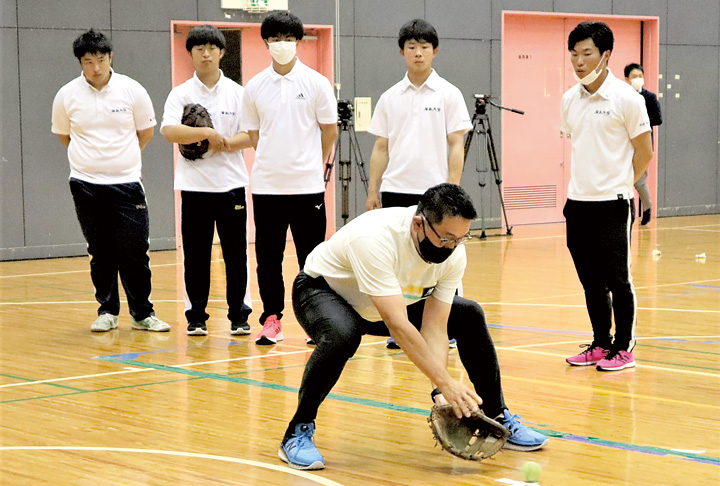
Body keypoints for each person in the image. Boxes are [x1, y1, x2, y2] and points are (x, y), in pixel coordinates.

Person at [279, 183, 548, 470]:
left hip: (386, 303)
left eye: (460, 238)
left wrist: (440, 393)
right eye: (445, 239)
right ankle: (298, 430)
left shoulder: (454, 253)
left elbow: (434, 326)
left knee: (468, 313)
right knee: (343, 334)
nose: (452, 247)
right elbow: (397, 325)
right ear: (419, 223)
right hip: (323, 292)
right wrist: (446, 381)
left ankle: (498, 416)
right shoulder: (374, 238)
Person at [51, 29, 171, 333]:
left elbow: (145, 133)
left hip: (127, 183)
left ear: (110, 57)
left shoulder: (132, 90)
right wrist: (92, 162)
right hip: (85, 184)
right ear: (80, 62)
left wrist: (119, 160)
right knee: (100, 250)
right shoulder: (66, 95)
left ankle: (143, 314)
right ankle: (107, 311)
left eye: (101, 59)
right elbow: (65, 136)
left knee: (134, 250)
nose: (95, 67)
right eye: (88, 61)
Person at [366, 19, 472, 349]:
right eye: (411, 47)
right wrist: (373, 190)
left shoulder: (449, 94)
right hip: (397, 188)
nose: (418, 52)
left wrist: (451, 190)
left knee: (444, 259)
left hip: (436, 192)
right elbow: (381, 147)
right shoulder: (389, 97)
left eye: (424, 46)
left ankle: (449, 327)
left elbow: (456, 143)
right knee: (401, 261)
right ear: (402, 52)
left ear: (434, 51)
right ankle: (406, 331)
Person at [241, 12, 338, 345]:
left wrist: (311, 161)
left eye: (288, 37)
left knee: (313, 259)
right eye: (275, 38)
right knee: (268, 259)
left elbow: (329, 130)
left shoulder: (316, 83)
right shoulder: (254, 87)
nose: (282, 44)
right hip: (267, 186)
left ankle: (319, 323)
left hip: (307, 186)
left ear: (297, 41)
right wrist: (275, 158)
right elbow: (254, 134)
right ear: (266, 42)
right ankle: (271, 320)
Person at [561, 22, 653, 371]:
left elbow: (644, 151)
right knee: (590, 281)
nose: (579, 62)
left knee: (618, 278)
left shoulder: (627, 98)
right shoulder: (569, 99)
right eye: (574, 54)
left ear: (606, 55)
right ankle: (600, 343)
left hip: (612, 203)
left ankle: (623, 347)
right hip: (577, 203)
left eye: (587, 54)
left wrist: (622, 182)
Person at [160, 25, 253, 337]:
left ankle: (239, 316)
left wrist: (224, 143)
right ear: (190, 54)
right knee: (196, 255)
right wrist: (206, 134)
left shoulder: (239, 94)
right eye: (199, 48)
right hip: (194, 187)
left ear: (222, 53)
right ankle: (196, 316)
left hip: (231, 186)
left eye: (212, 48)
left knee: (235, 255)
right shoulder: (181, 93)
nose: (206, 53)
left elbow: (251, 135)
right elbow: (169, 131)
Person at [624, 63, 662, 226]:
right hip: (625, 143)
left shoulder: (650, 97)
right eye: (634, 76)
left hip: (642, 142)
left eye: (640, 76)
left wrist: (641, 122)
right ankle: (628, 212)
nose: (638, 79)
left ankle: (647, 208)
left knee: (639, 180)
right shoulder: (623, 96)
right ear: (627, 79)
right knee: (624, 178)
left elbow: (658, 119)